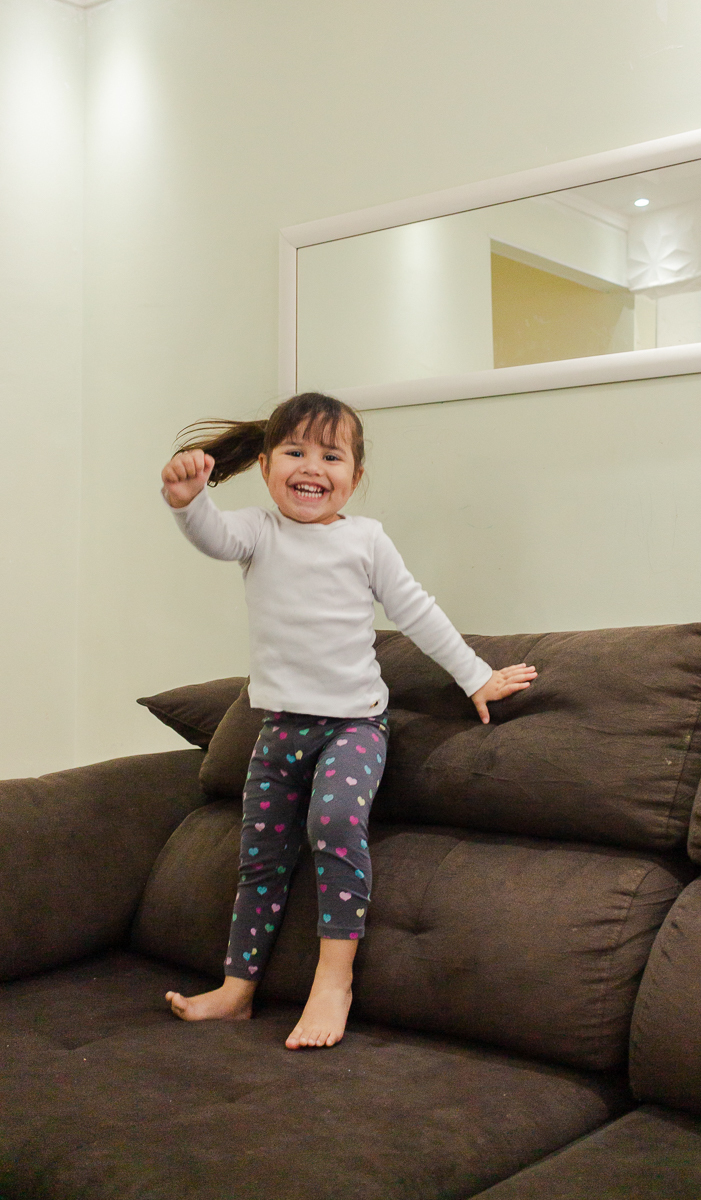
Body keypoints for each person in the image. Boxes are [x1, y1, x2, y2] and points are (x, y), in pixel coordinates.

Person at [160, 392, 537, 1049]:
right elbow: (211, 536)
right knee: (259, 860)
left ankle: (333, 983)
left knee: (333, 825)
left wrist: (477, 675)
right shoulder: (258, 532)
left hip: (353, 727)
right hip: (279, 730)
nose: (313, 467)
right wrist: (187, 501)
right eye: (295, 452)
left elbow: (417, 610)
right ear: (266, 466)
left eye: (331, 456)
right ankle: (237, 990)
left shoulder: (365, 540)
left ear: (355, 477)